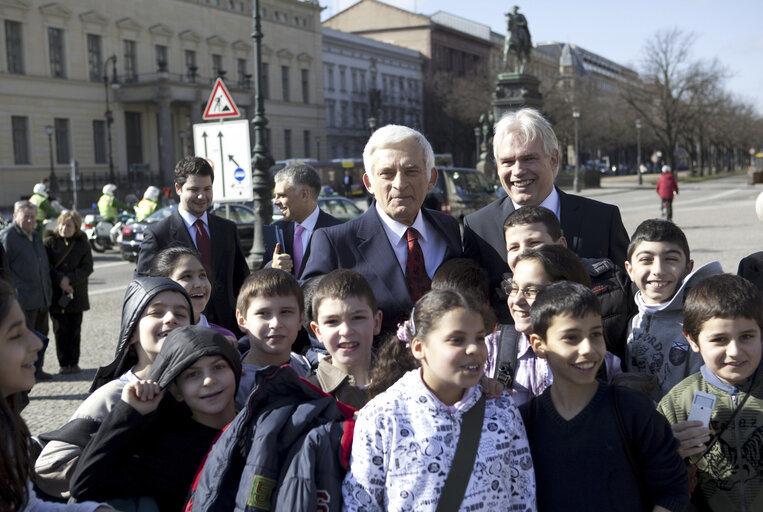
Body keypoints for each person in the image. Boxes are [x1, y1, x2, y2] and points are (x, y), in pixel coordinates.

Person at [342, 289, 536, 511]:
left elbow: (522, 495)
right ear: (419, 347)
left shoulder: (501, 408)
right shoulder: (383, 416)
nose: (474, 349)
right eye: (456, 340)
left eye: (480, 338)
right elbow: (360, 503)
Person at [520, 281, 688, 512]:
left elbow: (672, 489)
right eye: (571, 337)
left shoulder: (633, 410)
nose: (588, 348)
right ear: (539, 345)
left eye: (596, 334)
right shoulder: (523, 423)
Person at [463, 108, 629, 323]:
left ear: (554, 159)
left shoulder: (602, 219)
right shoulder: (478, 228)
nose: (518, 170)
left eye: (529, 158)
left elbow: (628, 293)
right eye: (507, 162)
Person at [34, 277, 192, 499]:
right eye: (156, 312)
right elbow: (50, 465)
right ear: (132, 332)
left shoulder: (199, 388)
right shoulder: (114, 395)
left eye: (181, 314)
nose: (171, 319)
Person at [301, 124, 463, 335]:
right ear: (369, 183)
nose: (399, 184)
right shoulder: (335, 242)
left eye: (411, 171)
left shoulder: (448, 228)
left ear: (431, 178)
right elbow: (310, 317)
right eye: (387, 174)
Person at [70, 326, 241, 511]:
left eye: (218, 367)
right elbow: (83, 485)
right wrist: (128, 412)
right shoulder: (167, 451)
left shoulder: (262, 426)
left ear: (235, 370)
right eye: (193, 374)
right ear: (176, 391)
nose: (209, 380)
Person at [0, 278, 114, 512]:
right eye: (15, 335)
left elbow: (27, 505)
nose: (37, 343)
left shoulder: (9, 427)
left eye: (27, 330)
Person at [657, 274, 763, 512]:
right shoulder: (677, 403)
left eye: (747, 336)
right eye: (719, 340)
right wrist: (669, 451)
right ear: (693, 340)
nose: (735, 351)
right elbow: (649, 472)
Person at [504, 205, 635, 360]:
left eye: (533, 243)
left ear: (561, 244)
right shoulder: (505, 299)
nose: (523, 252)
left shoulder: (612, 285)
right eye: (513, 247)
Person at [136, 156, 250, 334]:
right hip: (181, 329)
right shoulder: (158, 234)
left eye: (207, 189)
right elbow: (143, 289)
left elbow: (241, 281)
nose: (202, 196)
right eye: (194, 189)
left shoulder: (227, 229)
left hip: (228, 328)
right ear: (178, 189)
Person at [500, 245, 622, 406]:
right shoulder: (491, 351)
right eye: (513, 288)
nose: (516, 300)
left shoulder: (603, 364)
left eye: (532, 291)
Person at [624, 219, 723, 399]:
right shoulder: (632, 320)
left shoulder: (700, 322)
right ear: (629, 270)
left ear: (688, 268)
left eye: (670, 259)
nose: (658, 270)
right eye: (646, 260)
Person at [234, 268, 311, 409]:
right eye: (263, 313)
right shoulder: (234, 384)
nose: (276, 324)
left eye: (286, 312)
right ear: (242, 320)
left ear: (300, 319)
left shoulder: (306, 367)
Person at [307, 270, 382, 409]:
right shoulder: (308, 396)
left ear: (376, 322)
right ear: (317, 331)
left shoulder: (404, 382)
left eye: (357, 318)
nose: (346, 331)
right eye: (332, 321)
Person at [0, 200, 53, 379]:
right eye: (26, 217)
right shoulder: (8, 236)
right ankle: (22, 372)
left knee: (41, 337)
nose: (30, 220)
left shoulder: (36, 235)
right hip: (22, 299)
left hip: (41, 296)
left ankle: (38, 370)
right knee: (25, 339)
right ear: (15, 216)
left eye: (32, 217)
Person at [263, 163, 341, 277]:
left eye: (282, 195)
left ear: (304, 195)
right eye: (275, 195)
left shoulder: (337, 230)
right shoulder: (276, 229)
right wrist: (272, 267)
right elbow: (259, 278)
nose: (275, 202)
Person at [148, 246, 236, 342]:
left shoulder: (224, 338)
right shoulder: (154, 337)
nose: (199, 284)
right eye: (186, 276)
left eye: (202, 275)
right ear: (162, 284)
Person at [44, 210, 93, 375]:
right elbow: (46, 267)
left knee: (74, 329)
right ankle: (64, 363)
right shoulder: (50, 243)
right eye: (63, 224)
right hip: (57, 294)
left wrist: (70, 280)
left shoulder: (83, 244)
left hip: (76, 293)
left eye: (69, 225)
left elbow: (87, 267)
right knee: (59, 330)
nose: (65, 228)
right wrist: (61, 281)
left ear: (76, 227)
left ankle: (74, 362)